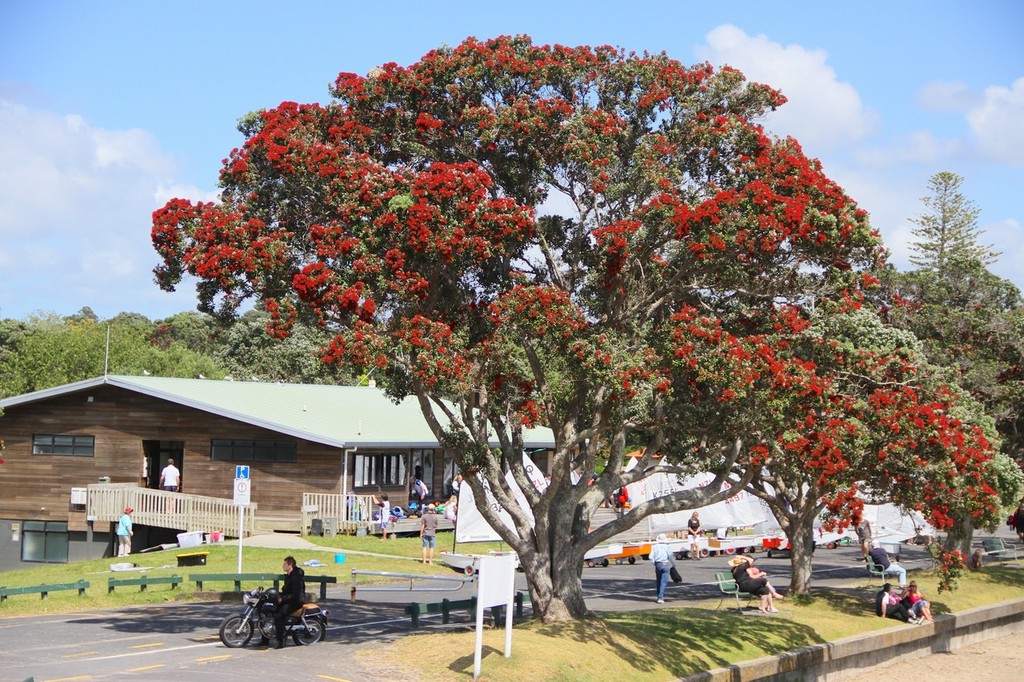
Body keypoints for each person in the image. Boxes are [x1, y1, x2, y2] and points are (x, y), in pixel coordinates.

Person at [263, 555, 305, 649]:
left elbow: (296, 594)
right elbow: (286, 591)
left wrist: (282, 599)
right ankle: (265, 640)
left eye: (285, 564)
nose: (283, 566)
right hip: (289, 599)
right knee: (270, 610)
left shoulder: (296, 577)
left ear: (290, 565)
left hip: (296, 602)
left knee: (279, 616)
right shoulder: (289, 576)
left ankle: (280, 641)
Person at [649, 533, 678, 604]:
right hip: (665, 564)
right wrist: (674, 565)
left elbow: (650, 557)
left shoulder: (654, 547)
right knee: (663, 582)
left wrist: (654, 563)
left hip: (658, 564)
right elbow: (671, 557)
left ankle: (659, 596)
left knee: (658, 581)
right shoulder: (667, 547)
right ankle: (660, 598)